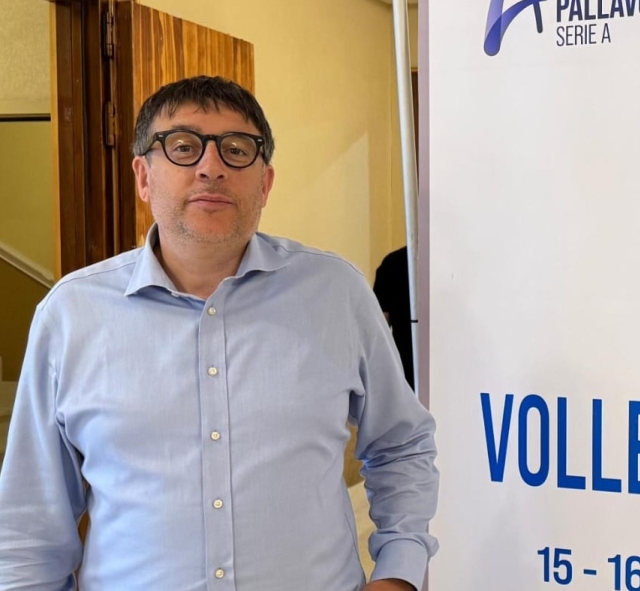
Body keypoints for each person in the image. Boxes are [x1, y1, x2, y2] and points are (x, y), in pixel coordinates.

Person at [0, 76, 439, 590]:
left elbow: (401, 444)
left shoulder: (335, 293)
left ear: (265, 183)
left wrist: (400, 572)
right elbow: (30, 521)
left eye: (236, 149)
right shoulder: (71, 314)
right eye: (183, 147)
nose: (211, 167)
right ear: (143, 176)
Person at [373, 246, 414, 390]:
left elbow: (377, 333)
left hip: (405, 374)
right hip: (405, 373)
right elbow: (378, 331)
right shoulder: (393, 263)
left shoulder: (393, 262)